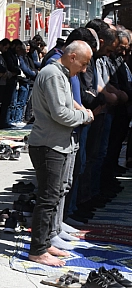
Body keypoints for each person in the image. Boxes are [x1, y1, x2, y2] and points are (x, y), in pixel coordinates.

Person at [28, 41, 93, 267]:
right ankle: (37, 249)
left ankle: (45, 243)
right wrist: (84, 117)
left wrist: (80, 110)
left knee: (54, 195)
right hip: (48, 145)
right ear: (72, 57)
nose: (84, 70)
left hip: (56, 143)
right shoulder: (54, 75)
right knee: (47, 198)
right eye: (84, 64)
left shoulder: (60, 74)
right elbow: (60, 115)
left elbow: (68, 104)